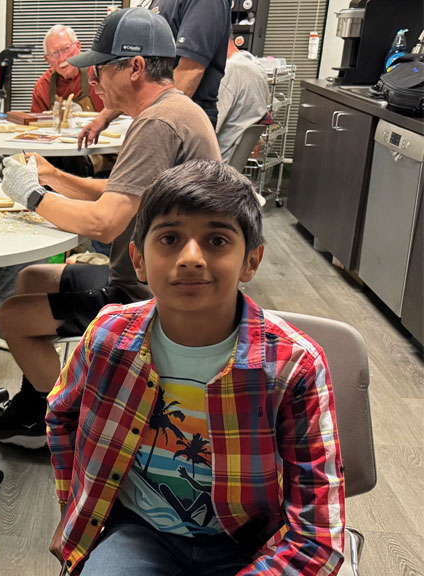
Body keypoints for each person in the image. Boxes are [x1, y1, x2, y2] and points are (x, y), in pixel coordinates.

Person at [47, 160, 345, 575]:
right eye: (169, 238)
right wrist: (73, 507)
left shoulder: (294, 365)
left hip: (250, 541)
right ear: (138, 259)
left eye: (217, 240)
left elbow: (317, 535)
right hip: (140, 531)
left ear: (251, 261)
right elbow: (61, 413)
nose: (190, 258)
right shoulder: (108, 336)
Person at [0, 7, 221, 449]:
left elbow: (106, 223)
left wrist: (30, 195)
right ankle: (38, 399)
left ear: (135, 67)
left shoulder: (156, 125)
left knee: (11, 317)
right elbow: (120, 190)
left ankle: (74, 425)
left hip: (156, 295)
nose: (95, 83)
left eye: (102, 70)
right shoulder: (172, 111)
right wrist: (54, 175)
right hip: (159, 277)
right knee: (33, 277)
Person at [79, 0, 230, 145]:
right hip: (159, 116)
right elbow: (140, 78)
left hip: (179, 121)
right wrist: (103, 118)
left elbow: (191, 69)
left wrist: (153, 123)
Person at [216, 36, 269, 163]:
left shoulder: (229, 71)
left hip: (211, 168)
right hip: (229, 166)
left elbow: (206, 130)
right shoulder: (254, 65)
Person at [30, 24, 104, 114]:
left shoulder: (98, 75)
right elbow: (36, 124)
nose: (62, 58)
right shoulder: (43, 86)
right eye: (55, 53)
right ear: (47, 59)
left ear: (78, 46)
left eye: (66, 49)